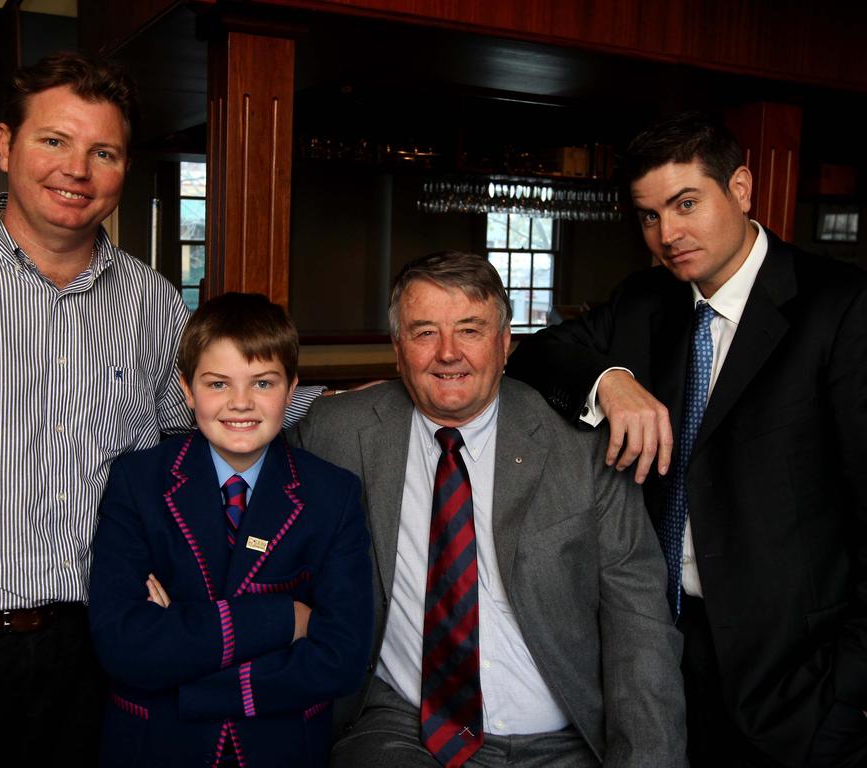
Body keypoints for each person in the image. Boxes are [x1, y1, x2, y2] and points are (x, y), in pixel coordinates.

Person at [0, 52, 319, 766]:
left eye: (104, 151)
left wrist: (330, 403)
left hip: (104, 650)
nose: (78, 170)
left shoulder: (152, 301)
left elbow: (195, 448)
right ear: (6, 145)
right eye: (54, 141)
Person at [504, 111, 867, 767]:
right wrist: (609, 380)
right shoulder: (649, 301)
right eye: (648, 216)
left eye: (685, 203)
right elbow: (536, 356)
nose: (667, 235)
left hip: (797, 682)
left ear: (743, 188)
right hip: (664, 657)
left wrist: (848, 695)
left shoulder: (841, 307)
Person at [293, 251, 686, 768]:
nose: (448, 353)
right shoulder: (337, 431)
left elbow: (639, 625)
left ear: (505, 346)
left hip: (560, 740)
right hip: (403, 729)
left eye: (471, 331)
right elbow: (236, 453)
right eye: (424, 332)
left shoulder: (584, 450)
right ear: (397, 348)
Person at [87, 291, 373, 768]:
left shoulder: (332, 494)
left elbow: (341, 658)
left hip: (278, 747)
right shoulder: (138, 482)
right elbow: (125, 646)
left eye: (263, 383)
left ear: (292, 386)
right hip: (155, 746)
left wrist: (182, 653)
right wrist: (286, 619)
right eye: (217, 384)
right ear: (187, 389)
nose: (240, 404)